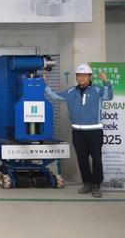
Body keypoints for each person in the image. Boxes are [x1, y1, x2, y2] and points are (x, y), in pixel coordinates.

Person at [44, 64, 113, 198]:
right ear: (76, 77)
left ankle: (96, 184)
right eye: (79, 76)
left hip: (94, 131)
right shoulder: (71, 91)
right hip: (78, 132)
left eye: (84, 75)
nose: (81, 78)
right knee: (82, 160)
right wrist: (45, 85)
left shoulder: (97, 89)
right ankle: (87, 183)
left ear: (90, 77)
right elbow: (54, 96)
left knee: (97, 160)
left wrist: (106, 82)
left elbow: (109, 96)